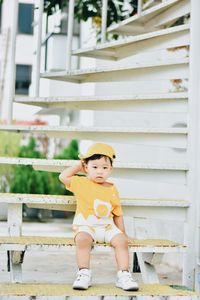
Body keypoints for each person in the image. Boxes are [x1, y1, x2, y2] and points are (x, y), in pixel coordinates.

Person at [59, 142, 139, 291]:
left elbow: (117, 213)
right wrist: (79, 166)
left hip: (107, 227)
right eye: (94, 167)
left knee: (121, 241)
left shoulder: (112, 188)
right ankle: (84, 273)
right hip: (86, 227)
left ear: (110, 169)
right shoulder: (80, 183)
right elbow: (63, 176)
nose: (100, 171)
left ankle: (124, 275)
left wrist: (123, 232)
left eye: (104, 167)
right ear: (86, 168)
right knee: (82, 239)